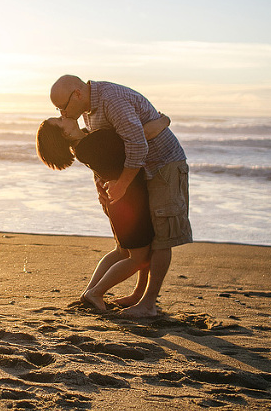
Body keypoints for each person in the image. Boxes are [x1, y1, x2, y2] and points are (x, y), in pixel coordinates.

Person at [50, 75, 193, 317]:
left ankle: (148, 303)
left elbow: (136, 144)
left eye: (61, 107)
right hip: (139, 172)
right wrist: (102, 184)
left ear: (77, 94)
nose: (62, 113)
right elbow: (106, 150)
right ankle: (137, 294)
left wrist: (122, 184)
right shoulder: (86, 111)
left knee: (162, 237)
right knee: (147, 238)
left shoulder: (111, 100)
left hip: (163, 165)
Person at [36, 115, 170, 311]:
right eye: (59, 120)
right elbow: (134, 137)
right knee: (139, 258)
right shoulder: (93, 142)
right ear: (64, 133)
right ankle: (95, 292)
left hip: (119, 204)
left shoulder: (82, 147)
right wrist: (162, 122)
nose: (63, 115)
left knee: (121, 252)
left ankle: (89, 292)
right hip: (130, 203)